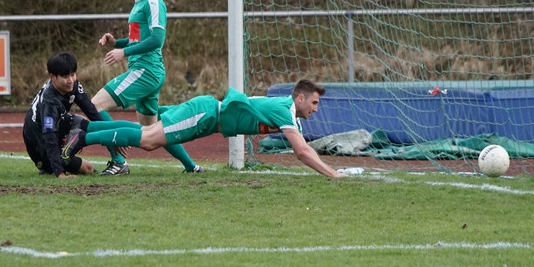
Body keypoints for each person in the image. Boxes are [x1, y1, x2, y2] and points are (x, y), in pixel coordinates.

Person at [67, 79, 346, 178]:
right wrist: (333, 174)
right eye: (314, 102)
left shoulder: (288, 111)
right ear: (300, 98)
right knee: (149, 138)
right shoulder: (285, 110)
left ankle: (85, 129)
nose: (316, 109)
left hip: (208, 119)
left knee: (147, 133)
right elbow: (301, 152)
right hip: (205, 114)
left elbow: (304, 148)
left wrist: (332, 170)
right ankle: (84, 137)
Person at [90, 0, 202, 176]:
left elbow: (156, 40)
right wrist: (116, 43)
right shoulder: (139, 3)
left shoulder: (153, 2)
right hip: (148, 72)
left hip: (145, 71)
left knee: (94, 106)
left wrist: (123, 53)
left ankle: (118, 161)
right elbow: (138, 40)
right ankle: (192, 167)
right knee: (153, 131)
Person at [22, 51, 103, 178]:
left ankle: (67, 149)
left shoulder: (73, 85)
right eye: (65, 76)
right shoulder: (49, 103)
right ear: (52, 77)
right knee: (88, 169)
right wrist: (60, 174)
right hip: (39, 145)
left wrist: (111, 140)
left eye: (73, 74)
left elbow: (91, 111)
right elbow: (49, 138)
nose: (70, 80)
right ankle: (51, 165)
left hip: (56, 126)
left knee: (79, 121)